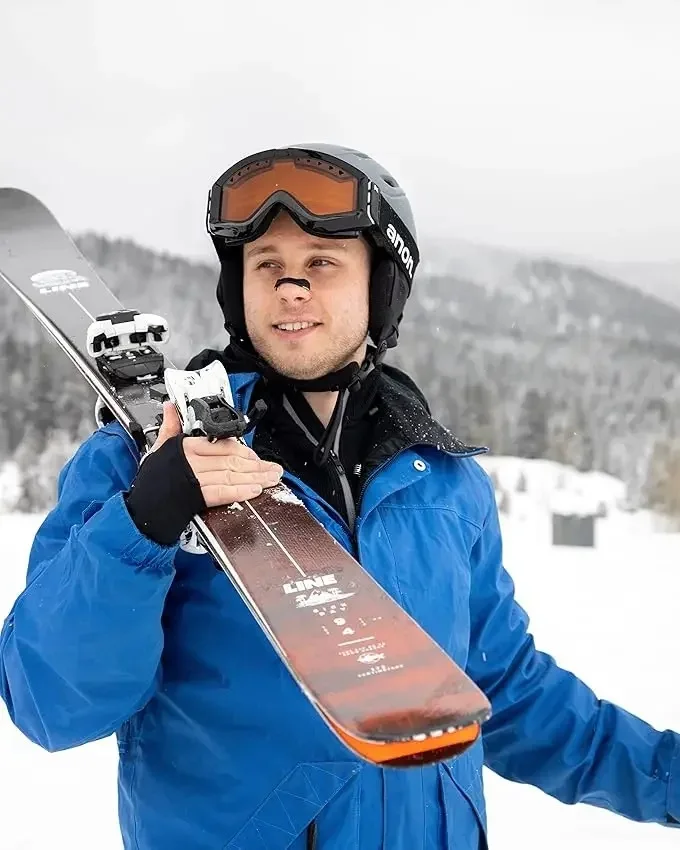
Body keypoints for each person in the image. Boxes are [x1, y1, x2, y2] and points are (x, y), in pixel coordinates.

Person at [0, 144, 678, 850]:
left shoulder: (444, 484)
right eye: (267, 265)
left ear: (382, 288)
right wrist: (143, 523)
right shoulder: (139, 463)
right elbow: (53, 701)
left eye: (322, 263)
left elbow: (508, 691)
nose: (291, 288)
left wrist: (667, 777)